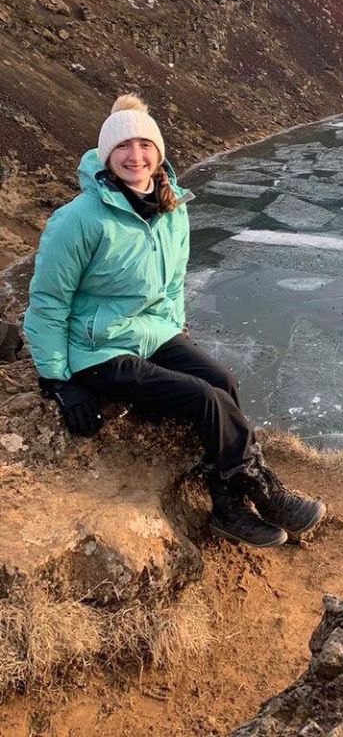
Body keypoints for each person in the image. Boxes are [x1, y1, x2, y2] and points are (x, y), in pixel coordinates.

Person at [23, 94, 326, 548]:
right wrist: (59, 380)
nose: (135, 156)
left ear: (158, 153)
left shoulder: (171, 207)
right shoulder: (78, 220)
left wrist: (178, 334)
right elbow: (47, 301)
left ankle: (228, 508)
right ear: (107, 155)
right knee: (204, 398)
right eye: (124, 146)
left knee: (221, 378)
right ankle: (264, 491)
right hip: (98, 347)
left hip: (153, 333)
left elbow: (170, 285)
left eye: (145, 145)